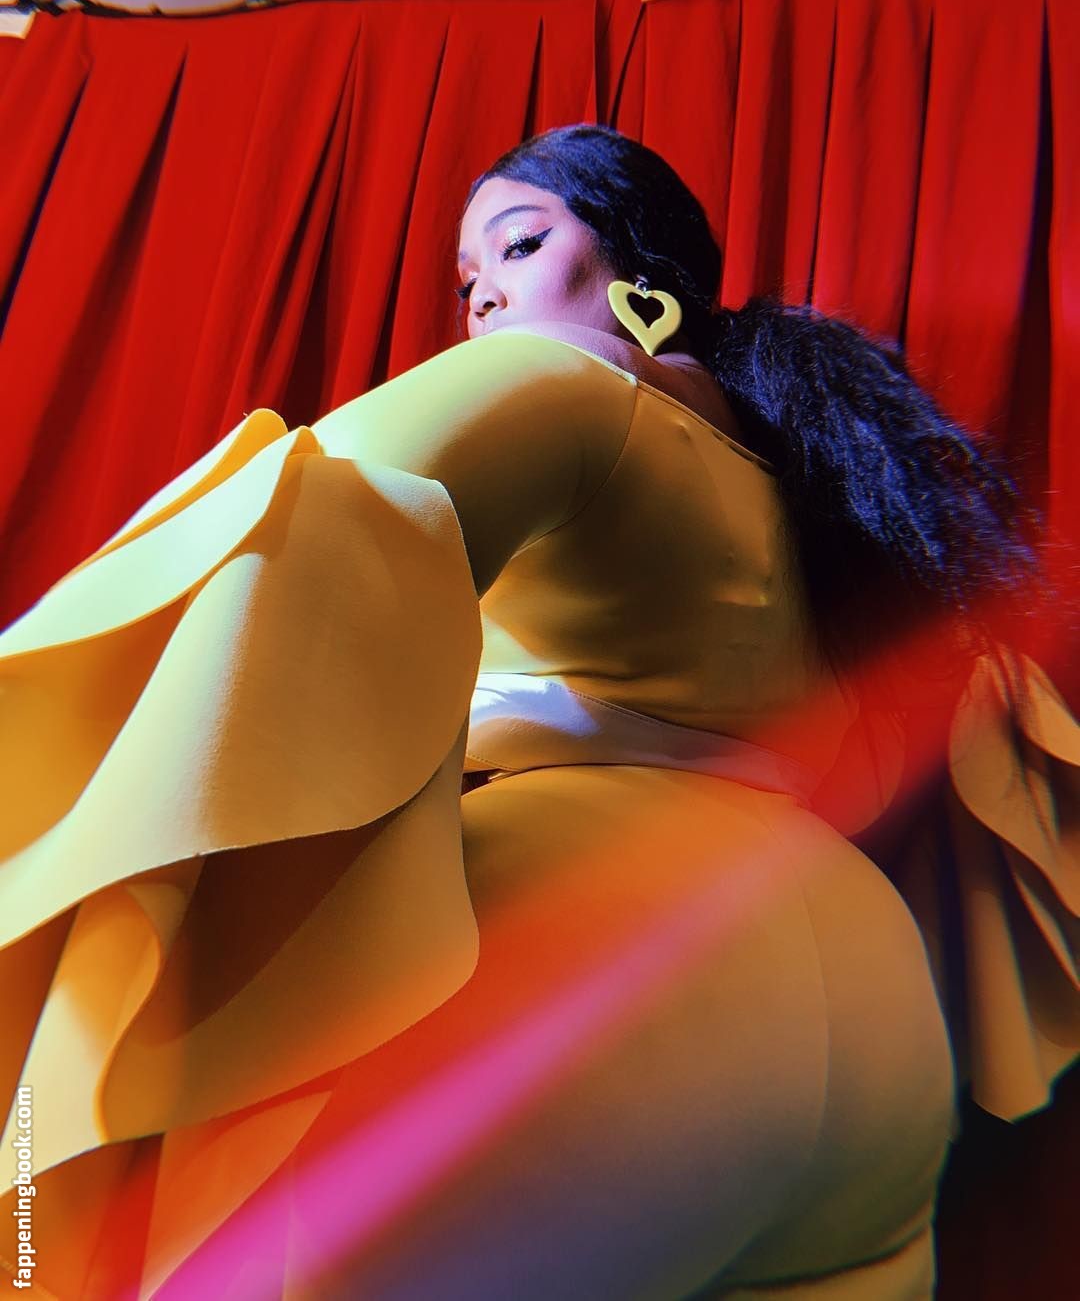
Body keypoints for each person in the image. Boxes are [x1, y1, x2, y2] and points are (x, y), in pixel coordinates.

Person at [0, 124, 1075, 1299]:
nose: (482, 299)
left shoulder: (563, 384)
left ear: (641, 277)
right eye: (466, 281)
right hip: (877, 1024)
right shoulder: (838, 505)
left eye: (517, 246)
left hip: (602, 966)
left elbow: (318, 513)